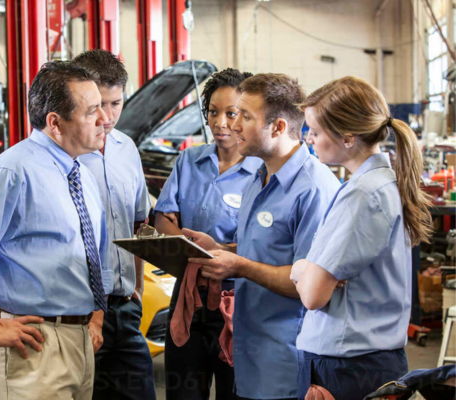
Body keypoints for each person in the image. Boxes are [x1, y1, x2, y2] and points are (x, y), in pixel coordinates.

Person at [0, 61, 112, 400]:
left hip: (78, 344)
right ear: (55, 122)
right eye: (92, 111)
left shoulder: (82, 176)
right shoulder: (11, 171)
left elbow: (95, 254)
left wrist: (95, 320)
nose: (105, 119)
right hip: (30, 347)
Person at [186, 73, 340, 400]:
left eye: (245, 116)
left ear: (279, 127)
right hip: (249, 359)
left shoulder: (313, 189)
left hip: (291, 367)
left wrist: (238, 266)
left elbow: (312, 284)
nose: (233, 125)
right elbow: (269, 252)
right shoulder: (258, 178)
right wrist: (222, 249)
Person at [290, 76, 433, 400]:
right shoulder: (377, 184)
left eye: (315, 130)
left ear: (348, 137)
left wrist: (300, 268)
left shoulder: (363, 195)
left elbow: (313, 294)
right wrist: (310, 270)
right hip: (358, 361)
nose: (308, 139)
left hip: (348, 368)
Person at [153, 68, 259, 400]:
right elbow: (162, 219)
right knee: (183, 392)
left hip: (239, 305)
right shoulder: (188, 161)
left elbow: (263, 244)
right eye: (213, 112)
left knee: (234, 392)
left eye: (232, 113)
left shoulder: (262, 170)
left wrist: (221, 253)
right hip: (189, 299)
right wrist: (201, 254)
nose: (220, 122)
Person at [73, 49, 156, 400]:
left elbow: (140, 223)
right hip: (78, 313)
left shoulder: (127, 149)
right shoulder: (65, 153)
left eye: (116, 103)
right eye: (98, 105)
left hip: (126, 307)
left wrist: (137, 288)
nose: (107, 117)